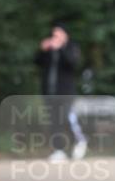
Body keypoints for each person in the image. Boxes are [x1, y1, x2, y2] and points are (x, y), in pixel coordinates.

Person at [34, 22, 87, 162]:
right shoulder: (49, 50)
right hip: (49, 91)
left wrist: (61, 48)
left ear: (65, 35)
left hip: (66, 92)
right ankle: (59, 150)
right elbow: (37, 62)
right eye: (53, 34)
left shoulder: (71, 47)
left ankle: (80, 141)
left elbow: (73, 64)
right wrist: (43, 49)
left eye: (58, 34)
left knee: (67, 118)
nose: (55, 37)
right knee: (53, 121)